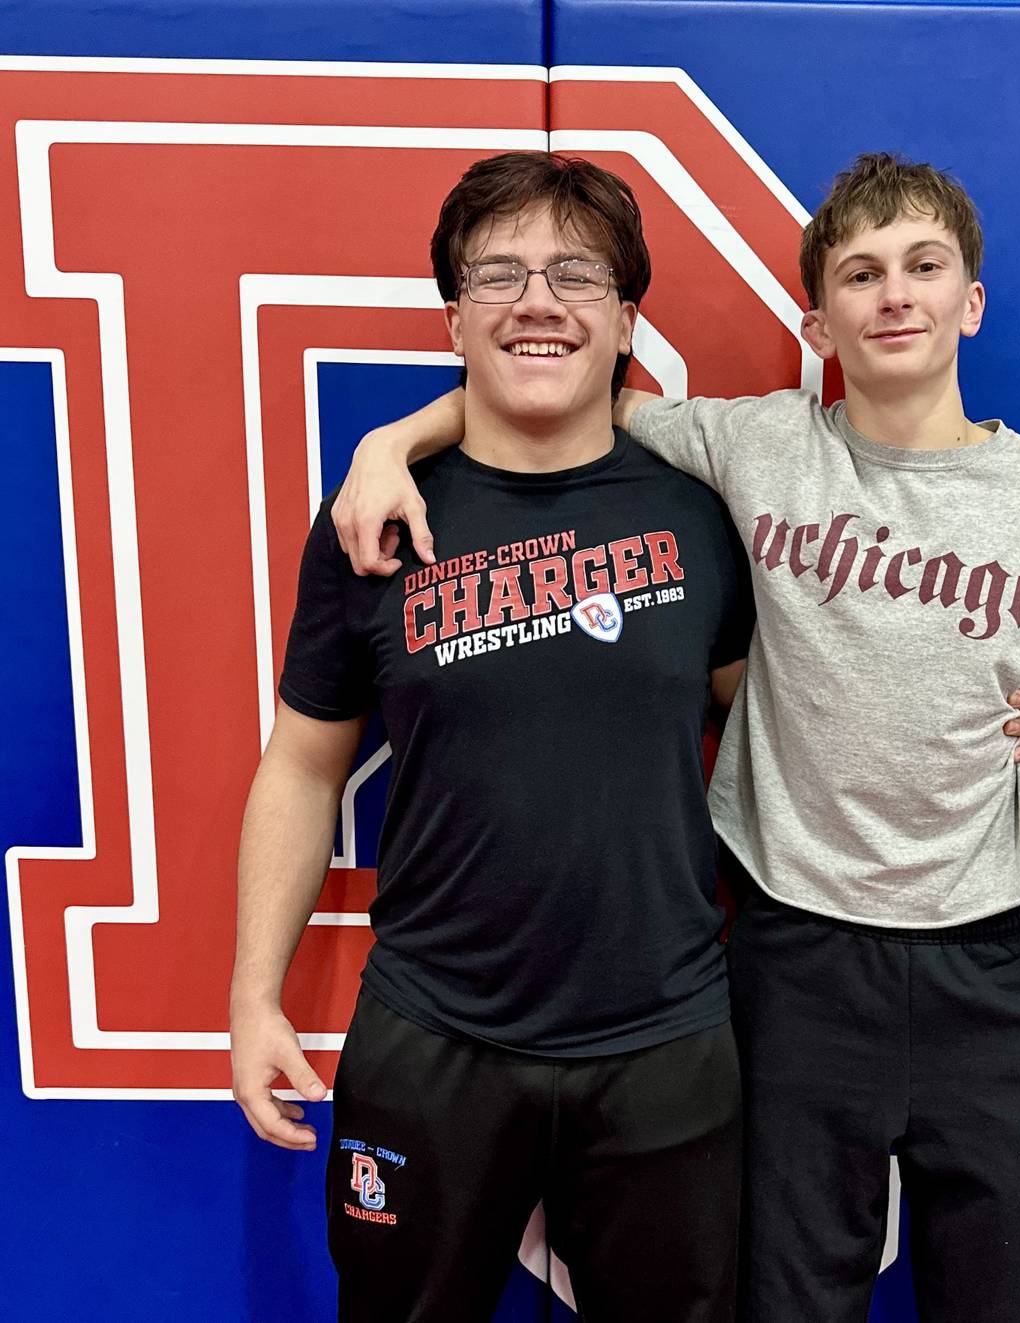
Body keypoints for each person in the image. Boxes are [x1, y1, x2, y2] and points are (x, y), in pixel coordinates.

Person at [333, 152, 1020, 1322]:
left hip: (1007, 968)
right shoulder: (758, 447)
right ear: (817, 320)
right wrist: (393, 442)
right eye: (861, 275)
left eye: (925, 268)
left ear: (972, 300)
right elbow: (553, 387)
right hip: (798, 964)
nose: (896, 296)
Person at [229, 151, 762, 1323]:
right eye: (500, 274)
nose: (537, 300)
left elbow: (790, 718)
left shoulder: (698, 520)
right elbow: (304, 766)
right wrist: (254, 995)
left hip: (664, 1043)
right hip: (434, 1039)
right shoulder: (374, 521)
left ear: (626, 318)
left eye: (576, 272)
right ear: (455, 314)